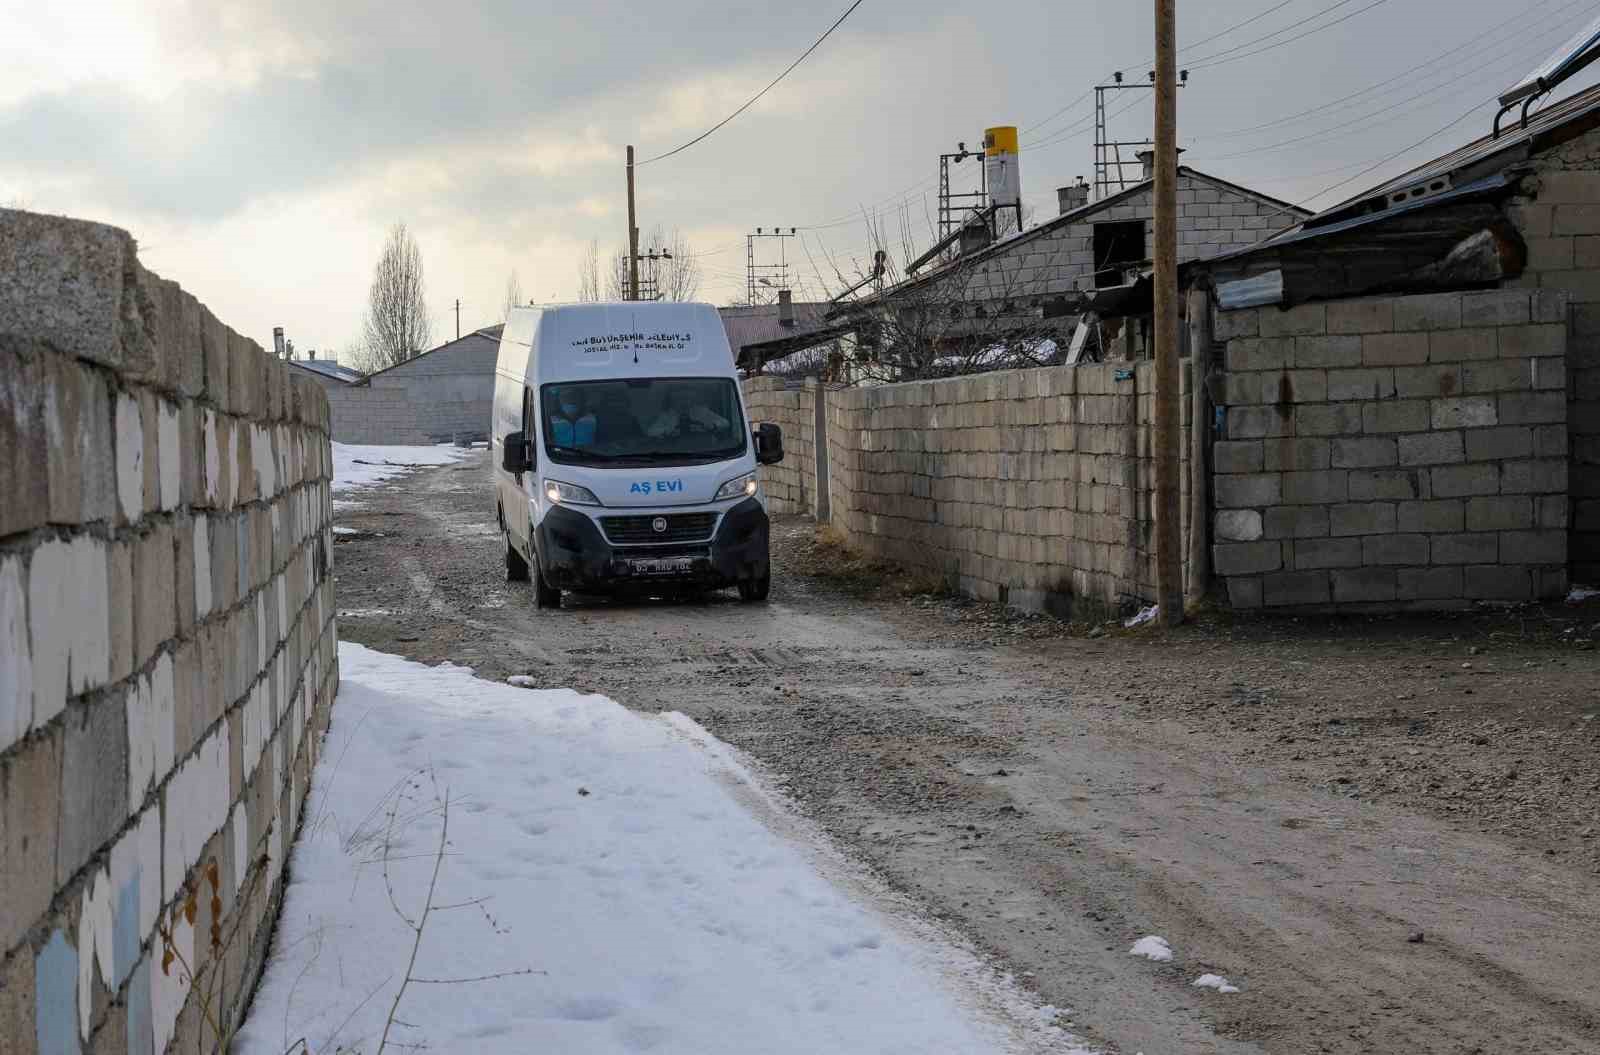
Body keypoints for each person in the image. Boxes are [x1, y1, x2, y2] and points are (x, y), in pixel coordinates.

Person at [646, 386, 728, 438]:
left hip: (702, 449)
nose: (684, 402)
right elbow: (650, 432)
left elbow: (725, 423)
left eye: (687, 399)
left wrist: (710, 426)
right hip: (676, 450)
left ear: (691, 400)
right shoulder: (667, 415)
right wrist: (669, 430)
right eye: (680, 399)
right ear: (674, 401)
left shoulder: (701, 411)